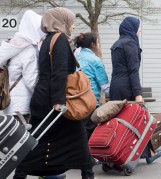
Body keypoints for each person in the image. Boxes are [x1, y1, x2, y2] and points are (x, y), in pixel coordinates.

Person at [13, 7, 95, 179]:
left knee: (40, 141)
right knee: (77, 142)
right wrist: (58, 101)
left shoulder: (48, 39)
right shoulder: (60, 40)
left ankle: (22, 172)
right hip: (55, 101)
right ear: (62, 22)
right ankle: (87, 174)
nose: (73, 26)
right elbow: (59, 72)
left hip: (45, 98)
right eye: (71, 22)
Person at [109, 16, 161, 164]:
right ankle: (148, 153)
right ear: (132, 28)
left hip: (115, 86)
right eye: (138, 27)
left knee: (119, 122)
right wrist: (138, 94)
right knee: (140, 119)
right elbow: (133, 71)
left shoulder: (116, 44)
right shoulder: (130, 44)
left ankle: (116, 153)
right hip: (127, 86)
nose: (139, 30)